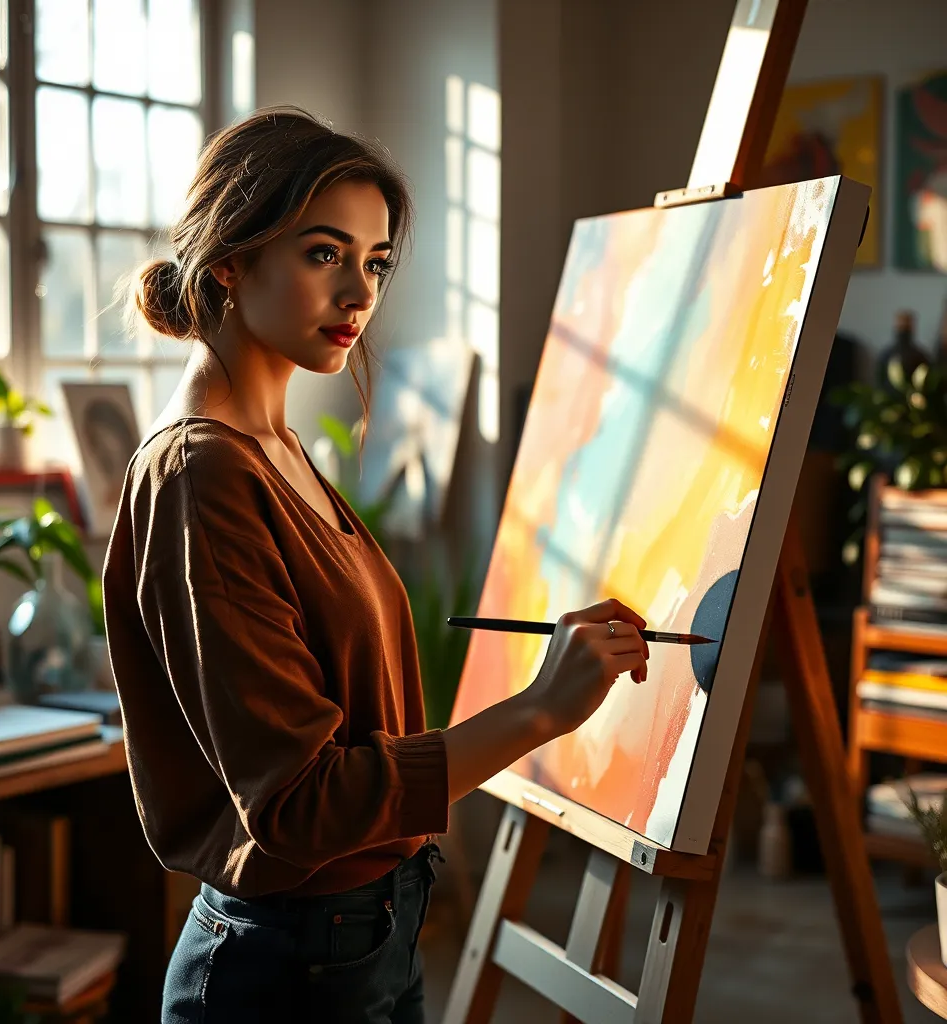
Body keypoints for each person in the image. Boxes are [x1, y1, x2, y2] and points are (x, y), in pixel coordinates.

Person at [101, 107, 650, 1024]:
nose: (359, 292)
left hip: (368, 934)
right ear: (231, 260)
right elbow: (298, 803)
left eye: (376, 261)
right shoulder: (203, 473)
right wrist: (539, 712)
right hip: (285, 969)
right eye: (325, 254)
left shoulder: (274, 441)